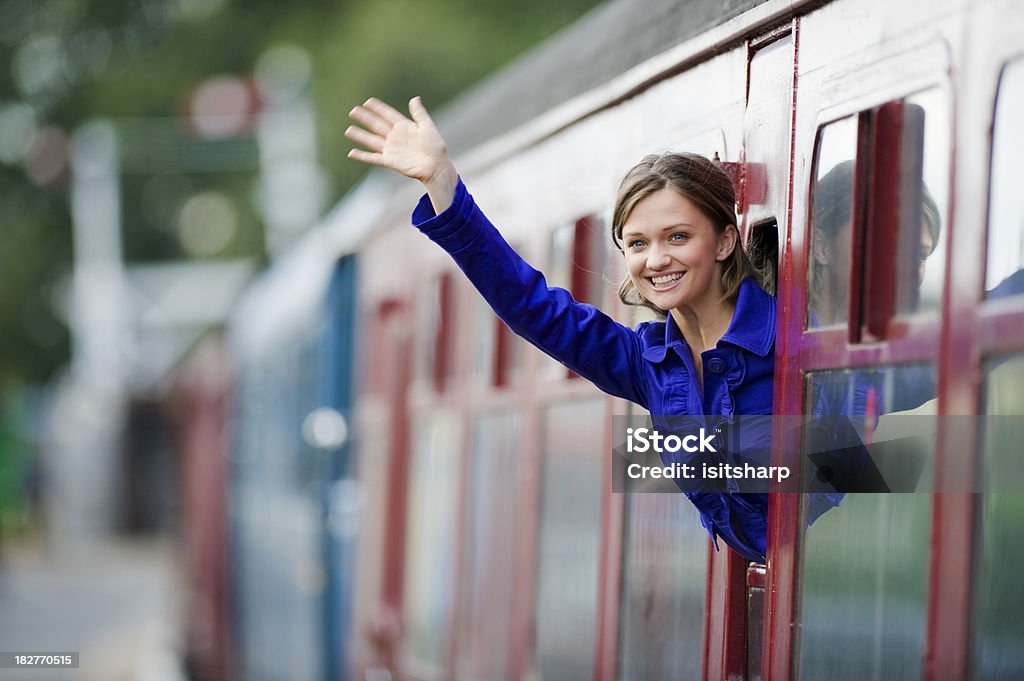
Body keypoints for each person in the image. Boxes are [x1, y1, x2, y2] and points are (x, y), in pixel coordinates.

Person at [345, 96, 776, 563]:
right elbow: (533, 308)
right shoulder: (650, 363)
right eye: (637, 243)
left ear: (725, 241)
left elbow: (848, 469)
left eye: (678, 237)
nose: (655, 259)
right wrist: (442, 184)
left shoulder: (785, 337)